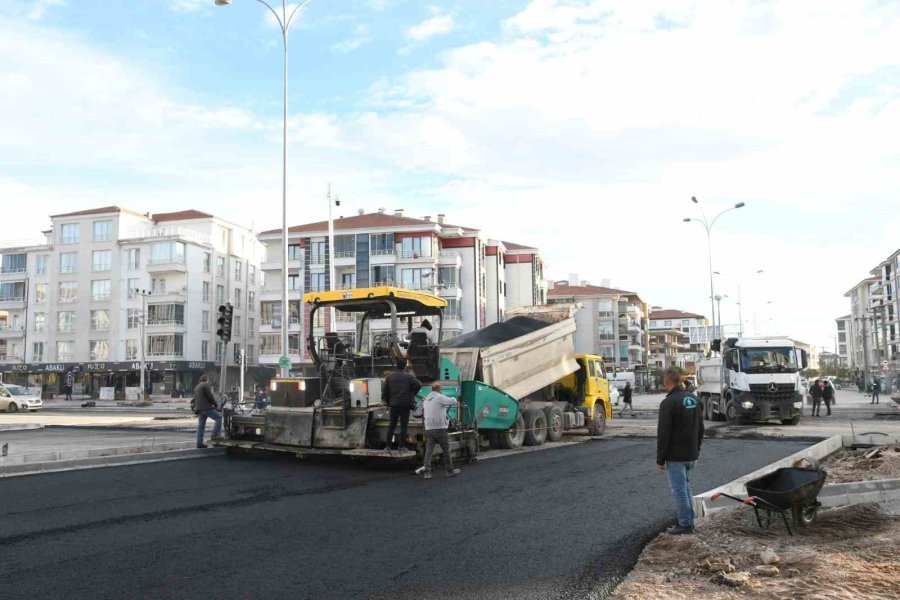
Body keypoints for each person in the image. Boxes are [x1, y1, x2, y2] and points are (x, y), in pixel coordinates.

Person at [656, 366, 704, 535]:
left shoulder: (668, 403)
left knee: (679, 490)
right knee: (686, 487)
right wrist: (696, 450)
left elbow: (663, 434)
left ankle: (685, 524)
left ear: (666, 382)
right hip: (691, 454)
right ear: (681, 381)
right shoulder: (694, 400)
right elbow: (701, 428)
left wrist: (660, 459)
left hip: (676, 456)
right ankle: (689, 520)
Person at [421, 384, 461, 479]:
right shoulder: (439, 397)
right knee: (446, 451)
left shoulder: (426, 399)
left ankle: (427, 473)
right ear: (439, 389)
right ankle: (450, 471)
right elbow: (453, 401)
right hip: (440, 428)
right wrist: (451, 396)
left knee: (429, 451)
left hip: (429, 429)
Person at [382, 358, 422, 451]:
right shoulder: (409, 377)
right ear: (404, 366)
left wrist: (388, 402)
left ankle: (387, 447)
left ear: (396, 366)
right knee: (404, 426)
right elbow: (419, 384)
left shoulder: (390, 377)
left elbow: (384, 392)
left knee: (392, 425)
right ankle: (401, 446)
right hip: (405, 405)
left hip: (394, 405)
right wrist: (412, 394)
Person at [193, 375, 222, 448]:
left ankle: (199, 443)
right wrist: (216, 405)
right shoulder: (205, 385)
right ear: (206, 380)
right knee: (219, 418)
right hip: (206, 408)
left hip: (199, 409)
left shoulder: (197, 387)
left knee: (201, 426)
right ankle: (214, 435)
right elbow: (210, 396)